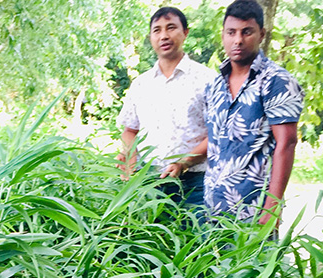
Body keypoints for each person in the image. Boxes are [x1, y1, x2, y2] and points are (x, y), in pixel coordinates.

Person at [201, 0, 303, 226]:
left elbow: (286, 144)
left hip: (253, 211)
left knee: (256, 262)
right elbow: (216, 141)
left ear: (261, 34)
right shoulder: (214, 86)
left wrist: (272, 206)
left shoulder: (276, 81)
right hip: (212, 210)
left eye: (246, 32)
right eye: (231, 32)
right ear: (223, 35)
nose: (238, 40)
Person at [117, 7, 216, 208]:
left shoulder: (208, 80)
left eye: (171, 28)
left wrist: (184, 163)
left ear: (185, 33)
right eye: (157, 30)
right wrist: (130, 162)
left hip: (196, 184)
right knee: (150, 239)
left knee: (197, 238)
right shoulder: (141, 84)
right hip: (149, 184)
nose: (164, 36)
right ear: (150, 37)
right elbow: (130, 130)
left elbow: (218, 133)